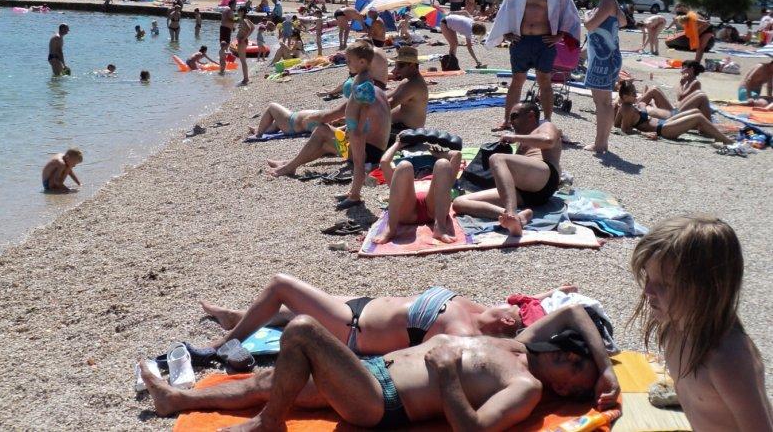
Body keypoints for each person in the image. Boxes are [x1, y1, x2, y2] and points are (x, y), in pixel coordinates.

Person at [139, 310, 617, 429]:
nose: (569, 358)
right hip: (370, 370)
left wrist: (447, 375)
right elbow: (576, 314)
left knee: (302, 330)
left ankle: (269, 424)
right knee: (272, 379)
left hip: (381, 401)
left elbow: (473, 430)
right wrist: (604, 368)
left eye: (578, 369)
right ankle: (177, 399)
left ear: (564, 389)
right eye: (576, 355)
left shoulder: (526, 386)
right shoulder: (520, 345)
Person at [629, 216, 773, 430]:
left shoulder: (726, 359)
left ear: (708, 289)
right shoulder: (673, 328)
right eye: (648, 277)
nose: (648, 291)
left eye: (664, 284)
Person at [199, 274, 585, 354]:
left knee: (281, 286)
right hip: (363, 304)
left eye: (514, 309)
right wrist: (554, 293)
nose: (513, 303)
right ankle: (237, 317)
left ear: (507, 323)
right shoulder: (480, 310)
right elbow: (526, 304)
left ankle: (223, 343)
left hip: (353, 328)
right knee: (286, 308)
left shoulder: (465, 335)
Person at [267, 41, 390, 211]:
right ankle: (291, 165)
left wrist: (357, 129)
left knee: (354, 159)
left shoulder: (365, 82)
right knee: (325, 141)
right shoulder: (368, 81)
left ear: (362, 62)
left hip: (366, 141)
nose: (346, 64)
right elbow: (358, 107)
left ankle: (354, 195)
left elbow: (365, 108)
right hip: (364, 137)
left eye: (349, 61)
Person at [485, 0, 581, 129]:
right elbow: (506, 9)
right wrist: (506, 33)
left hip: (544, 41)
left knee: (544, 81)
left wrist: (559, 35)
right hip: (521, 40)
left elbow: (570, 14)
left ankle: (547, 121)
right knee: (517, 80)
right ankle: (507, 120)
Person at [453, 102, 562, 236]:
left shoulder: (545, 126)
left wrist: (515, 138)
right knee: (459, 203)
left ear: (531, 116)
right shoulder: (523, 140)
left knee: (497, 158)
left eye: (514, 116)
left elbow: (548, 141)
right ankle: (515, 218)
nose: (511, 122)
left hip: (546, 178)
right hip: (525, 193)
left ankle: (511, 212)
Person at [373, 137, 460, 244]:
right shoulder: (404, 180)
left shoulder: (438, 177)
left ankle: (440, 227)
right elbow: (384, 162)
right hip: (408, 211)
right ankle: (390, 228)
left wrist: (438, 154)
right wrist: (398, 143)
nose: (423, 171)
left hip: (435, 209)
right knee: (404, 165)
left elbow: (457, 155)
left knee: (443, 163)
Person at [583, 0, 626, 154]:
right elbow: (623, 21)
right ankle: (602, 143)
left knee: (602, 103)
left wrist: (587, 14)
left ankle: (599, 144)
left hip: (603, 59)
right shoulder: (611, 2)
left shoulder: (607, 2)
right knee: (605, 102)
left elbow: (589, 24)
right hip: (610, 56)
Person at [614, 80, 733, 144]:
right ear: (625, 96)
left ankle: (717, 135)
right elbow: (625, 129)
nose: (636, 95)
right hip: (663, 129)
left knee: (696, 111)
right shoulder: (627, 108)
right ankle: (726, 141)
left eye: (635, 92)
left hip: (664, 123)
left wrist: (618, 110)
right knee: (698, 117)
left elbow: (616, 124)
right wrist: (644, 134)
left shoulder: (625, 107)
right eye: (633, 93)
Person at [635, 63, 711, 120]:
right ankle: (638, 107)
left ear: (691, 69)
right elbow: (680, 98)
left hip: (678, 114)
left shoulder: (695, 83)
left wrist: (681, 84)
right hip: (676, 111)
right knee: (652, 92)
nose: (681, 71)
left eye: (684, 68)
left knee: (654, 90)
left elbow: (681, 98)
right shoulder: (688, 82)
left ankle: (634, 109)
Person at [385, 45, 428, 130]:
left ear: (412, 65)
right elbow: (386, 97)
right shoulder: (407, 81)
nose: (396, 70)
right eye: (396, 65)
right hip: (400, 127)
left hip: (406, 130)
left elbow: (388, 105)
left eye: (400, 66)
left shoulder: (414, 84)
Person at [250, 104, 325, 138]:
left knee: (272, 107)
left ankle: (258, 133)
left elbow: (317, 133)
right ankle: (261, 129)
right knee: (277, 122)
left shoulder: (323, 124)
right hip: (292, 124)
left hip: (291, 122)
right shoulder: (325, 123)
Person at [235, 7, 254, 86]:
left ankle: (246, 79)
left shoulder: (244, 20)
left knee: (243, 61)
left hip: (242, 41)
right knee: (243, 61)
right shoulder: (246, 19)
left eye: (238, 12)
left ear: (242, 12)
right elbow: (253, 27)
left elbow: (250, 29)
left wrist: (244, 38)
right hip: (242, 41)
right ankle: (246, 78)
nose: (237, 13)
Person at [219, 0, 236, 76]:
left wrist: (233, 27)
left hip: (224, 28)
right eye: (235, 4)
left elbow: (227, 19)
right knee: (226, 45)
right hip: (225, 29)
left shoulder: (227, 9)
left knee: (224, 45)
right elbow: (229, 19)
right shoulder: (229, 10)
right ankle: (224, 63)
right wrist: (237, 19)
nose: (235, 6)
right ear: (232, 4)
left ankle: (223, 61)